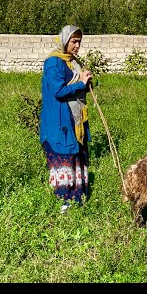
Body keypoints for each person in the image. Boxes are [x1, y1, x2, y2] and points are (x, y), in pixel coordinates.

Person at [40, 24, 93, 214]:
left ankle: (78, 198)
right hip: (59, 119)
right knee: (64, 156)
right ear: (65, 40)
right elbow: (58, 91)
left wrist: (86, 82)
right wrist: (80, 83)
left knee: (76, 155)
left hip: (73, 119)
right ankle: (64, 201)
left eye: (79, 42)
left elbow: (78, 86)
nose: (77, 45)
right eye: (74, 41)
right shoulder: (54, 63)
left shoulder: (72, 62)